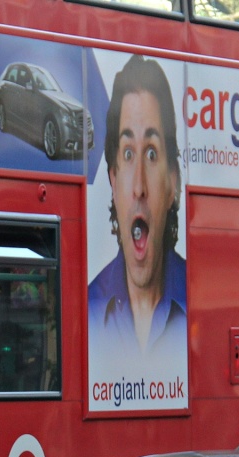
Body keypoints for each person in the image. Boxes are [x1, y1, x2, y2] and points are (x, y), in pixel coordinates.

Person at [87, 54, 187, 363]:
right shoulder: (89, 305)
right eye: (128, 153)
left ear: (173, 183)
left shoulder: (196, 298)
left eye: (152, 154)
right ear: (113, 181)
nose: (139, 187)